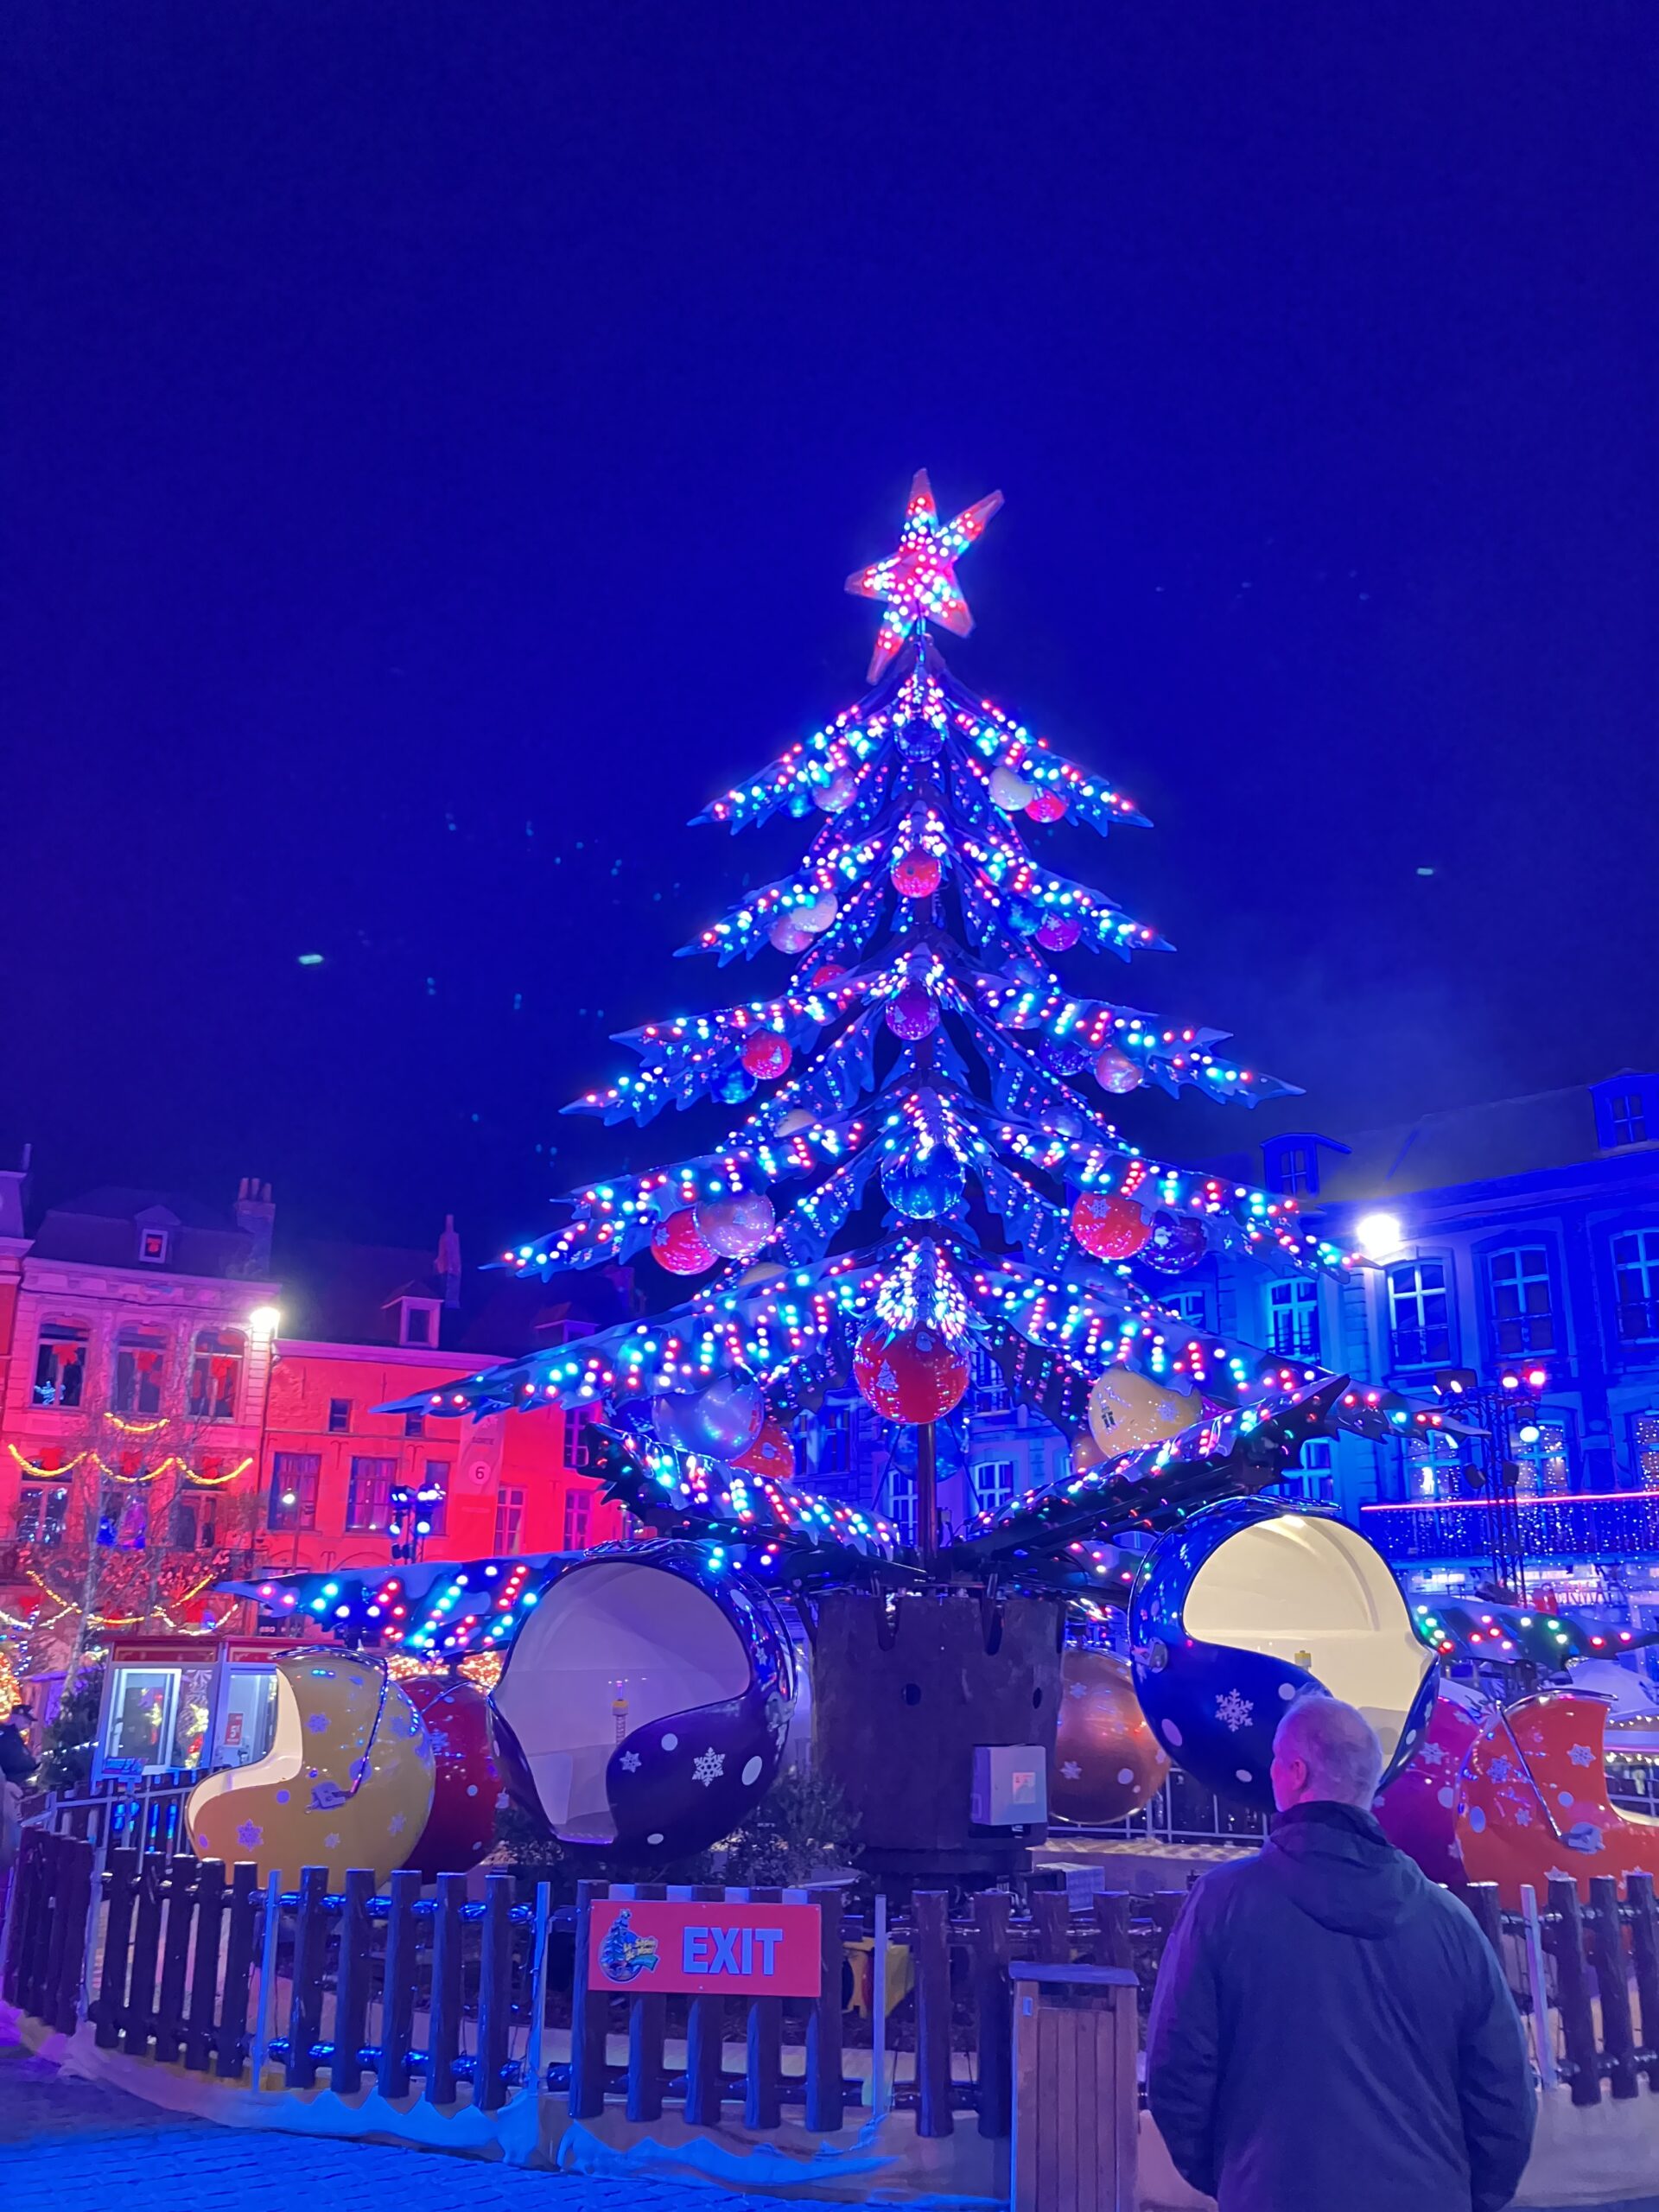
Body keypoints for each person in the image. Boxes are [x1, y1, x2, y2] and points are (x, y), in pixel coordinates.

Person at [1147, 1692, 1535, 2212]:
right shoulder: (1450, 1923)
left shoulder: (1223, 1905)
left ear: (1295, 1773)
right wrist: (1466, 2194)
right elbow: (1503, 2090)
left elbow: (1179, 2070)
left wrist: (1238, 2175)